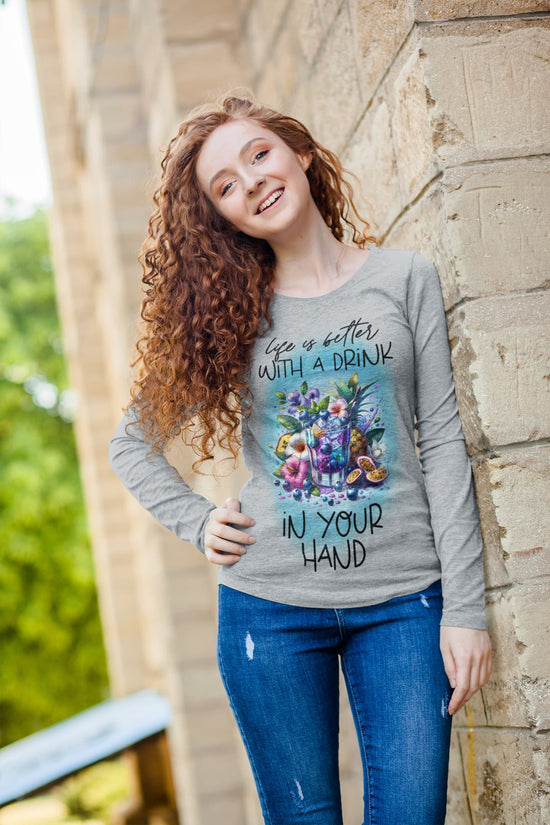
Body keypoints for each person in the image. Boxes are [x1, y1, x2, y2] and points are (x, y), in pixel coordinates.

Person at [108, 89, 493, 825]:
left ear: (300, 153)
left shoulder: (404, 278)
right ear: (222, 217)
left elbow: (442, 440)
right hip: (269, 609)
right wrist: (196, 521)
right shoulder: (229, 314)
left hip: (406, 605)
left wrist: (465, 608)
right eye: (225, 185)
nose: (250, 180)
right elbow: (132, 443)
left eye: (259, 155)